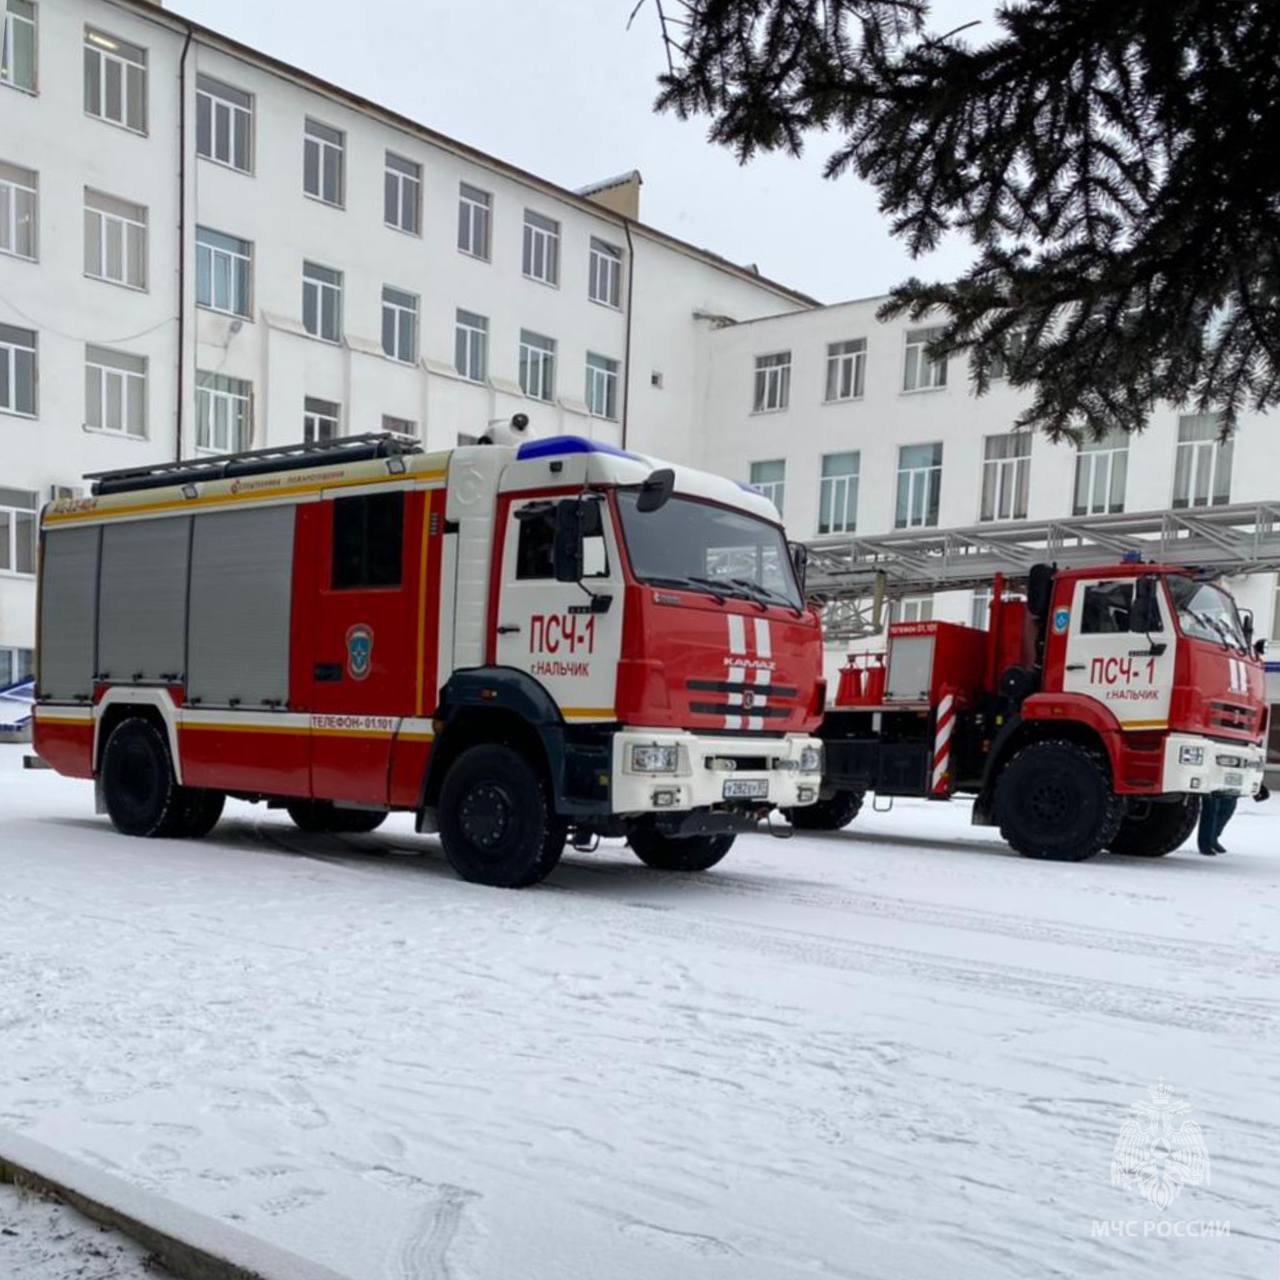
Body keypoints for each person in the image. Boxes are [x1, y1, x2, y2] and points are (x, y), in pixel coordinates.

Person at [1198, 783, 1270, 855]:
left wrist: (1258, 785)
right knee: (1212, 805)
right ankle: (1205, 842)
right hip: (1212, 779)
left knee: (1227, 807)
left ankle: (1212, 839)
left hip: (1233, 781)